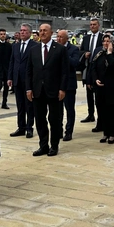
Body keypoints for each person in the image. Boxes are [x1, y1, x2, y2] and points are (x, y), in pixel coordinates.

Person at [26, 23, 69, 157]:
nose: (43, 33)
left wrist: (62, 88)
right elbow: (29, 71)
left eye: (45, 30)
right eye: (40, 31)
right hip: (38, 90)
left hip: (54, 90)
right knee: (39, 119)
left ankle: (54, 145)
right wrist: (28, 89)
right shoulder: (33, 50)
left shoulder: (60, 49)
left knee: (54, 119)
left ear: (51, 33)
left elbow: (64, 72)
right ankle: (43, 145)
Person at [91, 33, 114, 144]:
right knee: (102, 111)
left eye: (108, 41)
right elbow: (93, 67)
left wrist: (110, 53)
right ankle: (105, 133)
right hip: (100, 87)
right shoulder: (99, 53)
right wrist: (95, 79)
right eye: (104, 41)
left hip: (112, 87)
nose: (106, 43)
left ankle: (112, 134)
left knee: (113, 111)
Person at [7, 24, 37, 138]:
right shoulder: (15, 46)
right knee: (20, 106)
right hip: (17, 79)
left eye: (24, 31)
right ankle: (21, 127)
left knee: (29, 105)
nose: (22, 32)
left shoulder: (34, 46)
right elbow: (12, 62)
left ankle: (29, 128)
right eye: (21, 30)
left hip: (28, 80)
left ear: (29, 33)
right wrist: (10, 77)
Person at [57, 30, 81, 141]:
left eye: (61, 37)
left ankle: (69, 131)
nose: (58, 39)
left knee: (69, 109)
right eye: (57, 37)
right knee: (57, 110)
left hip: (69, 85)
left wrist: (64, 52)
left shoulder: (73, 49)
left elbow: (75, 63)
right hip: (56, 84)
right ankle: (59, 130)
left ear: (67, 38)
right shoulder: (54, 48)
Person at [79, 18, 104, 127]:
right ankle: (90, 114)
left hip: (99, 70)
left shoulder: (102, 37)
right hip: (88, 68)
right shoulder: (86, 38)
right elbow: (80, 50)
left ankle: (101, 118)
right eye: (91, 25)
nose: (92, 26)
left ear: (98, 26)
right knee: (89, 93)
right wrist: (85, 54)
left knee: (99, 95)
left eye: (94, 24)